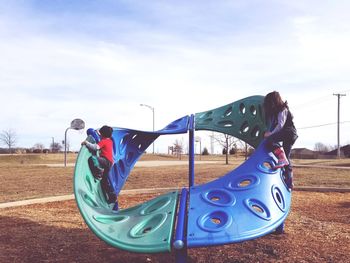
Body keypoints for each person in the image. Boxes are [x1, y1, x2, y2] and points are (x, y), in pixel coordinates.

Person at [263, 91, 298, 189]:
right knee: (287, 159)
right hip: (291, 134)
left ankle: (281, 157)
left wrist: (270, 134)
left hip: (289, 132)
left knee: (269, 140)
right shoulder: (278, 111)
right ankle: (289, 181)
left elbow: (280, 125)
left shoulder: (283, 109)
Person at [82, 125, 117, 206]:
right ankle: (112, 197)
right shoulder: (110, 141)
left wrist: (86, 143)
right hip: (109, 163)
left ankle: (98, 173)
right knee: (104, 181)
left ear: (102, 134)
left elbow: (96, 147)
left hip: (106, 161)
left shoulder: (104, 141)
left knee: (92, 159)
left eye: (100, 133)